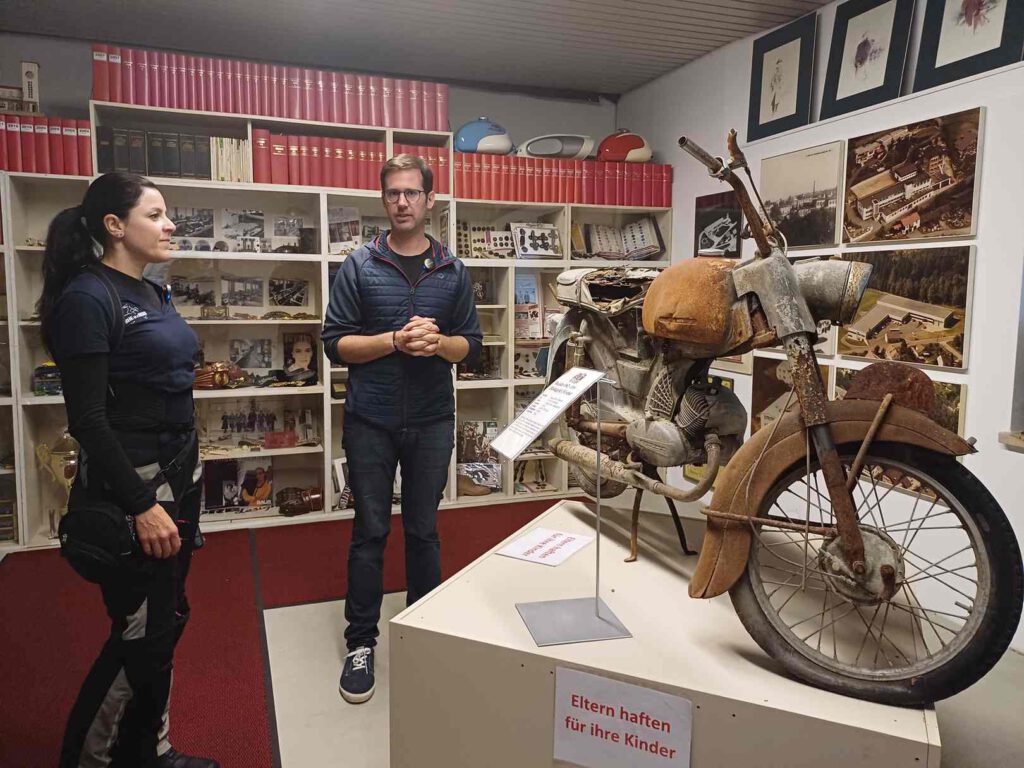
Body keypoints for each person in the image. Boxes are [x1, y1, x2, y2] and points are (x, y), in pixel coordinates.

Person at [39, 173, 219, 768]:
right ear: (114, 226)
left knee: (166, 621)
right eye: (156, 214)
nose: (171, 225)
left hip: (178, 475)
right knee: (140, 631)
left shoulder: (151, 290)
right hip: (134, 491)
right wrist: (142, 505)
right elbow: (88, 420)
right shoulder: (88, 298)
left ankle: (150, 749)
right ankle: (88, 760)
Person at [322, 153, 482, 704]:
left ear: (430, 200)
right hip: (370, 420)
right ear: (383, 199)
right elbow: (335, 344)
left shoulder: (453, 270)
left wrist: (439, 344)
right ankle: (360, 642)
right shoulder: (359, 265)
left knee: (423, 530)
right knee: (370, 531)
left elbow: (470, 346)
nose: (402, 202)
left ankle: (421, 634)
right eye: (393, 193)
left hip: (432, 420)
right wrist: (394, 340)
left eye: (412, 192)